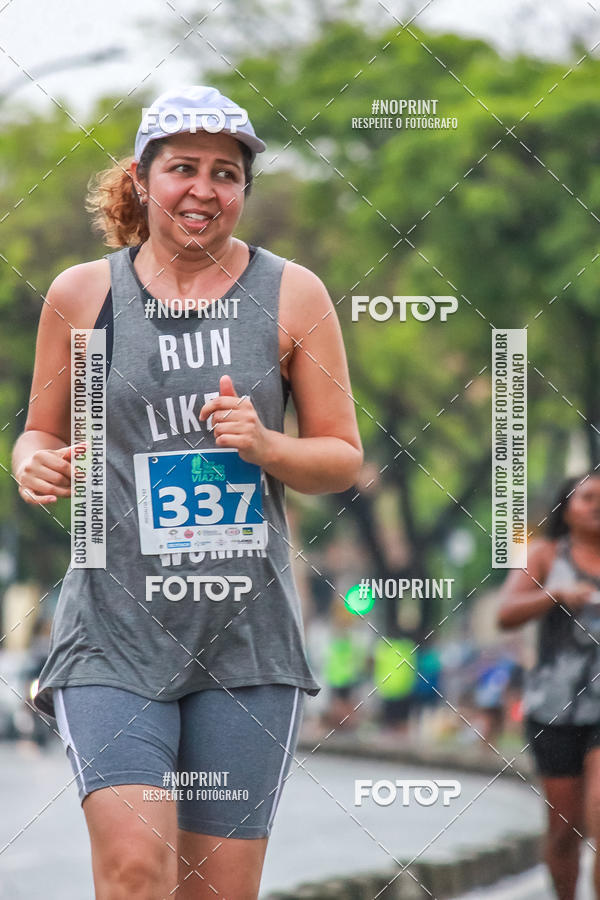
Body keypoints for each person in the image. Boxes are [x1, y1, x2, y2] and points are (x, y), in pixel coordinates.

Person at [12, 85, 363, 900]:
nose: (204, 189)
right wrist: (32, 461)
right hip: (111, 637)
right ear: (141, 179)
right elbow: (38, 430)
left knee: (214, 891)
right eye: (182, 169)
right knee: (137, 872)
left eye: (226, 173)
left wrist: (268, 445)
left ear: (244, 188)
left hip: (246, 643)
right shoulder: (83, 295)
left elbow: (341, 457)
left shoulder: (292, 294)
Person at [497, 472, 600, 900]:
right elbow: (506, 613)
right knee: (563, 832)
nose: (598, 505)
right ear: (567, 508)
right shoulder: (544, 555)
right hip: (554, 709)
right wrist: (555, 595)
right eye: (588, 497)